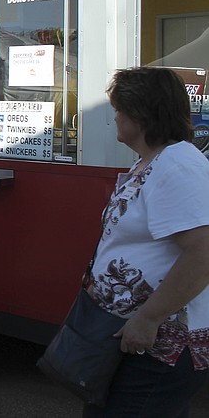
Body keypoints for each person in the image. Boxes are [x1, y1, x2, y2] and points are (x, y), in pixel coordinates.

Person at [82, 67, 209, 417]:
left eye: (120, 108)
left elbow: (203, 253)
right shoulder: (151, 162)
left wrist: (149, 318)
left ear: (141, 114)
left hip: (163, 343)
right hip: (134, 335)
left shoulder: (179, 165)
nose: (116, 116)